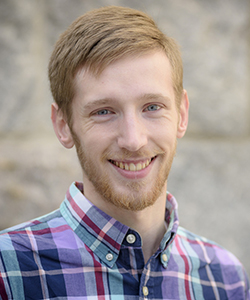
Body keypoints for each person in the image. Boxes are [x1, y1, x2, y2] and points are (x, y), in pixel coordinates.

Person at [0, 6, 249, 300]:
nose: (134, 140)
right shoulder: (9, 270)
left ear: (181, 114)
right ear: (64, 125)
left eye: (152, 107)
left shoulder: (224, 279)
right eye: (104, 111)